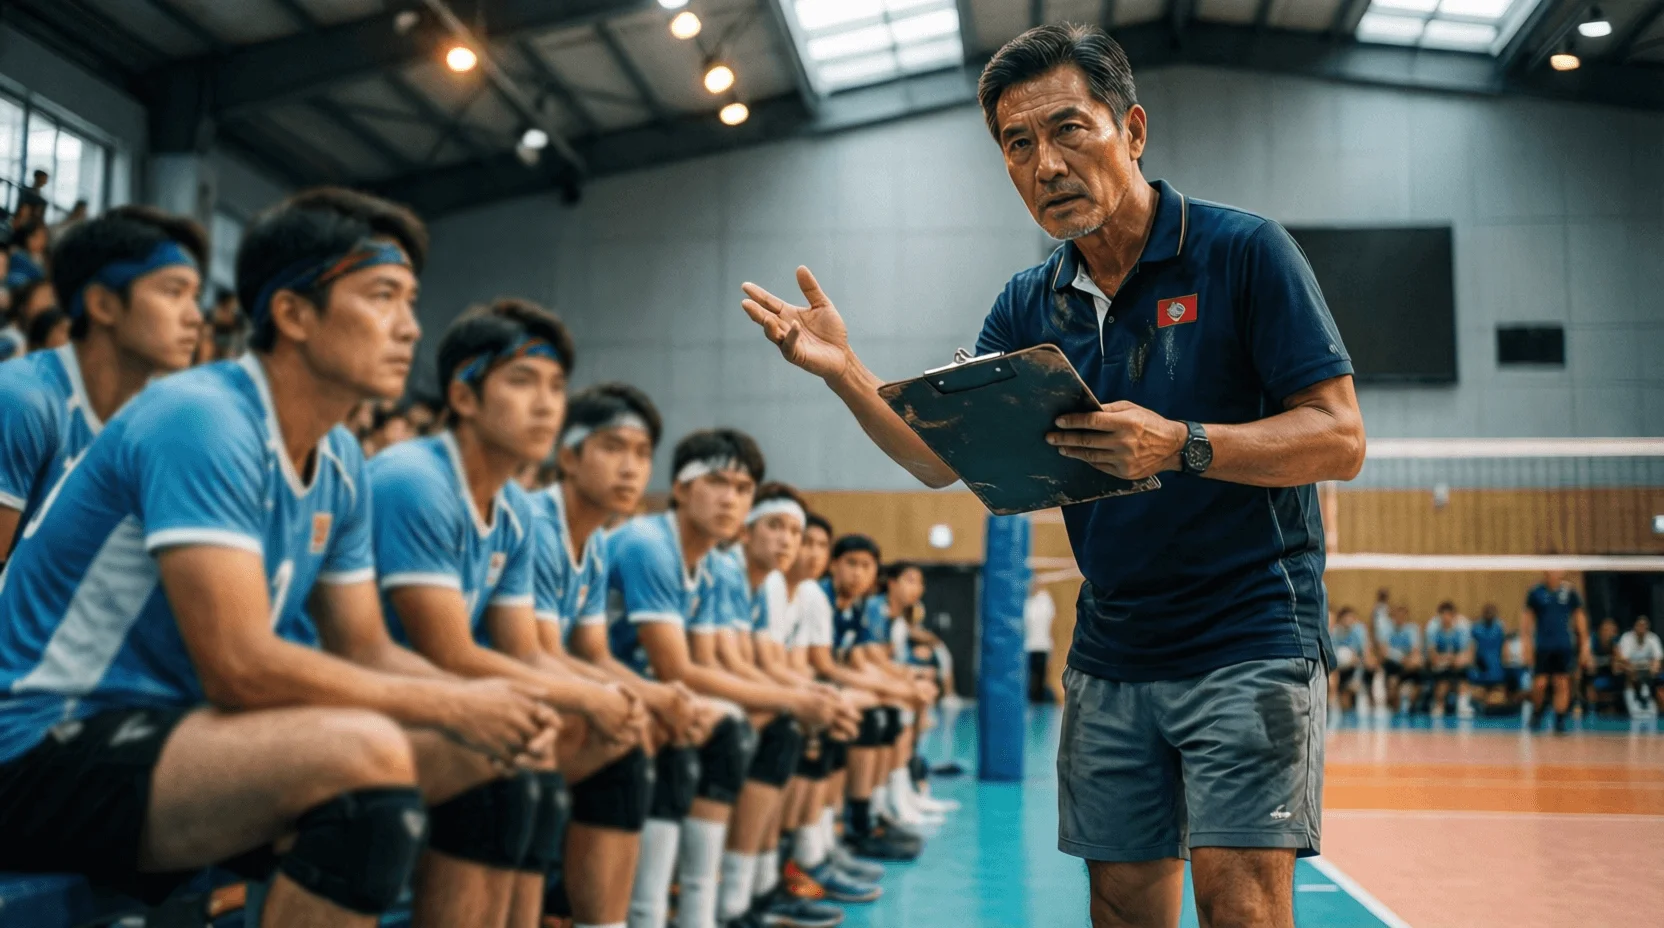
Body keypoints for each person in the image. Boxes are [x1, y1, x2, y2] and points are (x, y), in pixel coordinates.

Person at [740, 23, 1364, 927]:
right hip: (1113, 648)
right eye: (1018, 144)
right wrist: (846, 370)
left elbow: (1339, 437)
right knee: (1117, 905)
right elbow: (935, 460)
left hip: (1249, 633)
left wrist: (1185, 443)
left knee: (1242, 903)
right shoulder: (1028, 304)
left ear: (1132, 130)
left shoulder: (1243, 253)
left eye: (1071, 130)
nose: (1047, 164)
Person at [0, 186, 562, 925]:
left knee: (505, 766)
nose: (409, 327)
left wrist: (505, 706)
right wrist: (453, 696)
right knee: (362, 765)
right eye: (382, 297)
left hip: (176, 735)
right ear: (293, 314)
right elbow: (239, 664)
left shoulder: (339, 459)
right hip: (39, 738)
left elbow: (365, 646)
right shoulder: (203, 416)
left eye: (411, 301)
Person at [369, 298, 647, 928]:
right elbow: (449, 653)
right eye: (522, 382)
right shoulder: (415, 478)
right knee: (515, 774)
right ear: (464, 397)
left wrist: (601, 696)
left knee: (565, 765)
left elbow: (523, 651)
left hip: (423, 691)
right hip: (368, 692)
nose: (548, 404)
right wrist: (589, 696)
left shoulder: (514, 509)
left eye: (556, 386)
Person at [601, 429, 839, 928]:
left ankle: (731, 898)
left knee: (766, 729)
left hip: (640, 687)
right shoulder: (653, 545)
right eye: (717, 482)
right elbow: (681, 670)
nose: (731, 497)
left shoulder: (709, 564)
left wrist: (798, 697)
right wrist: (795, 698)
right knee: (720, 736)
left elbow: (713, 662)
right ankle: (691, 908)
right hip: (612, 685)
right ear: (682, 489)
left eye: (742, 486)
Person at [536, 382, 720, 928]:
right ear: (569, 456)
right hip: (496, 686)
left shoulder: (592, 541)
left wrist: (643, 695)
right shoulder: (542, 524)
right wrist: (643, 695)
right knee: (617, 738)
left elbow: (590, 651)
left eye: (642, 454)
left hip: (541, 681)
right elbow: (535, 652)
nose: (631, 467)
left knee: (641, 732)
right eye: (613, 447)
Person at [0, 206, 206, 563]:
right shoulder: (22, 399)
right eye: (173, 293)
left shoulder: (163, 420)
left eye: (194, 296)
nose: (195, 318)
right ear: (102, 304)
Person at [1521, 570, 1591, 732]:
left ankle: (1559, 720)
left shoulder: (1570, 592)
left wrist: (1585, 646)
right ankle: (1537, 713)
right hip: (1543, 646)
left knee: (1562, 683)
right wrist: (1526, 646)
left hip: (1563, 646)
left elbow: (1580, 621)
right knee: (1539, 684)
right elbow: (1526, 624)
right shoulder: (1535, 592)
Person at [1423, 602, 1474, 719]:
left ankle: (1463, 704)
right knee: (1441, 680)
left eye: (1449, 615)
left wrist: (1453, 659)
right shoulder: (1432, 627)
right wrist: (1447, 658)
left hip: (1456, 664)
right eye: (1443, 615)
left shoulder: (1463, 626)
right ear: (1439, 616)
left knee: (1463, 670)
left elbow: (1467, 654)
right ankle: (1439, 704)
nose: (1446, 618)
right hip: (1441, 665)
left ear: (1454, 616)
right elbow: (1432, 656)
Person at [1614, 616, 1662, 718]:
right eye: (1639, 625)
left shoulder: (1653, 638)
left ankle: (1647, 699)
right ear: (1635, 626)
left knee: (1655, 669)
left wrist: (1653, 668)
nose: (1641, 628)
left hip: (1647, 672)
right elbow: (1623, 660)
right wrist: (1634, 670)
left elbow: (1658, 659)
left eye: (1644, 626)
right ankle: (1633, 705)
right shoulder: (1627, 638)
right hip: (1629, 670)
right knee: (1627, 671)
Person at [1328, 607, 1372, 715]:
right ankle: (1332, 701)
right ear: (1341, 619)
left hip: (1355, 668)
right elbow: (1331, 655)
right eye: (1346, 617)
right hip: (1338, 669)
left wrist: (1357, 663)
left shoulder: (1359, 630)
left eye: (1352, 618)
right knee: (1333, 676)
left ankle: (1368, 699)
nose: (1349, 620)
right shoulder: (1334, 632)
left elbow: (1366, 654)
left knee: (1371, 666)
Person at [1468, 604, 1509, 713]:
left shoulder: (1500, 628)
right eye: (1487, 612)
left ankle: (1492, 703)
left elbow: (1506, 652)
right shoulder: (1476, 629)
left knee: (1495, 700)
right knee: (1476, 695)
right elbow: (1471, 651)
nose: (1489, 615)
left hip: (1497, 675)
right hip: (1481, 675)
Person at [1025, 583, 1057, 704]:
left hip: (1042, 646)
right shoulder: (1025, 601)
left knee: (1040, 679)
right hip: (1028, 647)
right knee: (1028, 679)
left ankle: (1039, 702)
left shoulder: (1045, 599)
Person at [1586, 617, 1622, 716]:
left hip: (1611, 675)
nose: (1609, 633)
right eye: (1606, 630)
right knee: (1587, 673)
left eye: (1612, 630)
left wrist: (1615, 652)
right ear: (1600, 631)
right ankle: (1589, 708)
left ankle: (1618, 707)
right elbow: (1588, 662)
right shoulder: (1592, 640)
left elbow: (1619, 664)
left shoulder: (1617, 642)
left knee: (1620, 671)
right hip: (1594, 675)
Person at [5, 218, 49, 288]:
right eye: (36, 237)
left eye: (44, 237)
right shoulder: (17, 255)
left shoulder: (44, 259)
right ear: (27, 237)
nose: (41, 241)